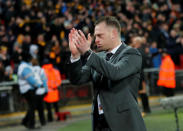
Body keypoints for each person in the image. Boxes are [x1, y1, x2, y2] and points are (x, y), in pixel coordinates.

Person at [68, 16, 146, 131]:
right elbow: (77, 79)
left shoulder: (131, 54)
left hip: (124, 123)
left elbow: (115, 72)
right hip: (100, 123)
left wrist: (88, 53)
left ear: (113, 33)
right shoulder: (98, 57)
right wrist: (75, 56)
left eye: (100, 35)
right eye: (95, 36)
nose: (96, 40)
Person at [17, 53, 42, 129]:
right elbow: (30, 79)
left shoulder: (23, 66)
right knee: (32, 107)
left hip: (26, 89)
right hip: (28, 89)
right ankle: (31, 124)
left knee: (32, 106)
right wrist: (38, 85)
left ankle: (25, 121)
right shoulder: (25, 67)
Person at [31, 58, 48, 126]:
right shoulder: (41, 70)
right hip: (41, 90)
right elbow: (44, 80)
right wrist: (46, 90)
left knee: (33, 107)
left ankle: (32, 122)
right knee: (40, 107)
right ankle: (42, 121)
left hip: (33, 90)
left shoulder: (30, 70)